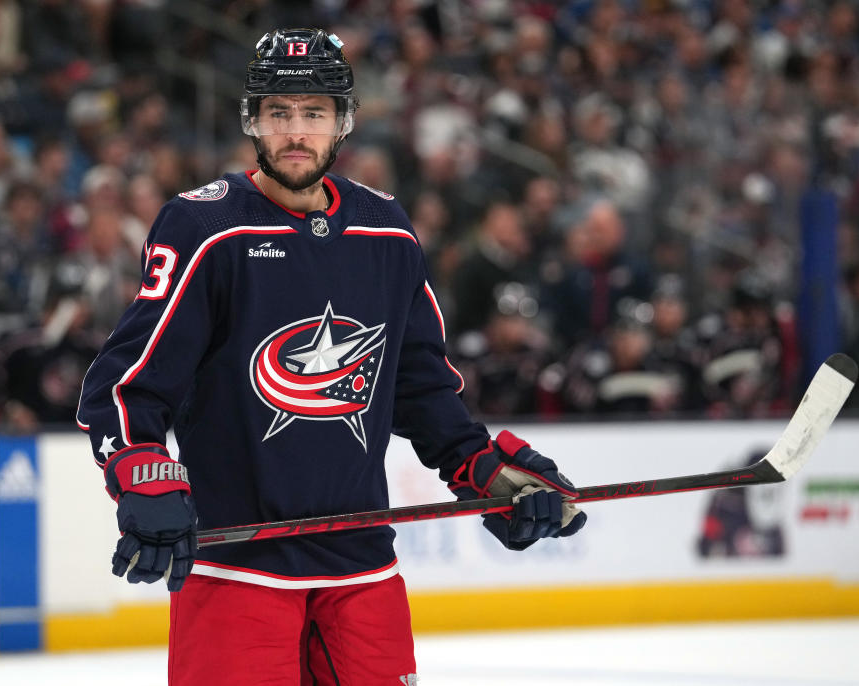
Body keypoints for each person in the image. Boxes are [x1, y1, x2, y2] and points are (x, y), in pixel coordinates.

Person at [77, 28, 586, 686]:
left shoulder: (388, 232)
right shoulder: (206, 228)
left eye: (314, 113)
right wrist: (142, 473)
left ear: (342, 122)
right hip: (239, 573)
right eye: (279, 113)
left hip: (362, 571)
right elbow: (126, 386)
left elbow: (421, 389)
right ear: (251, 120)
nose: (296, 131)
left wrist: (486, 472)